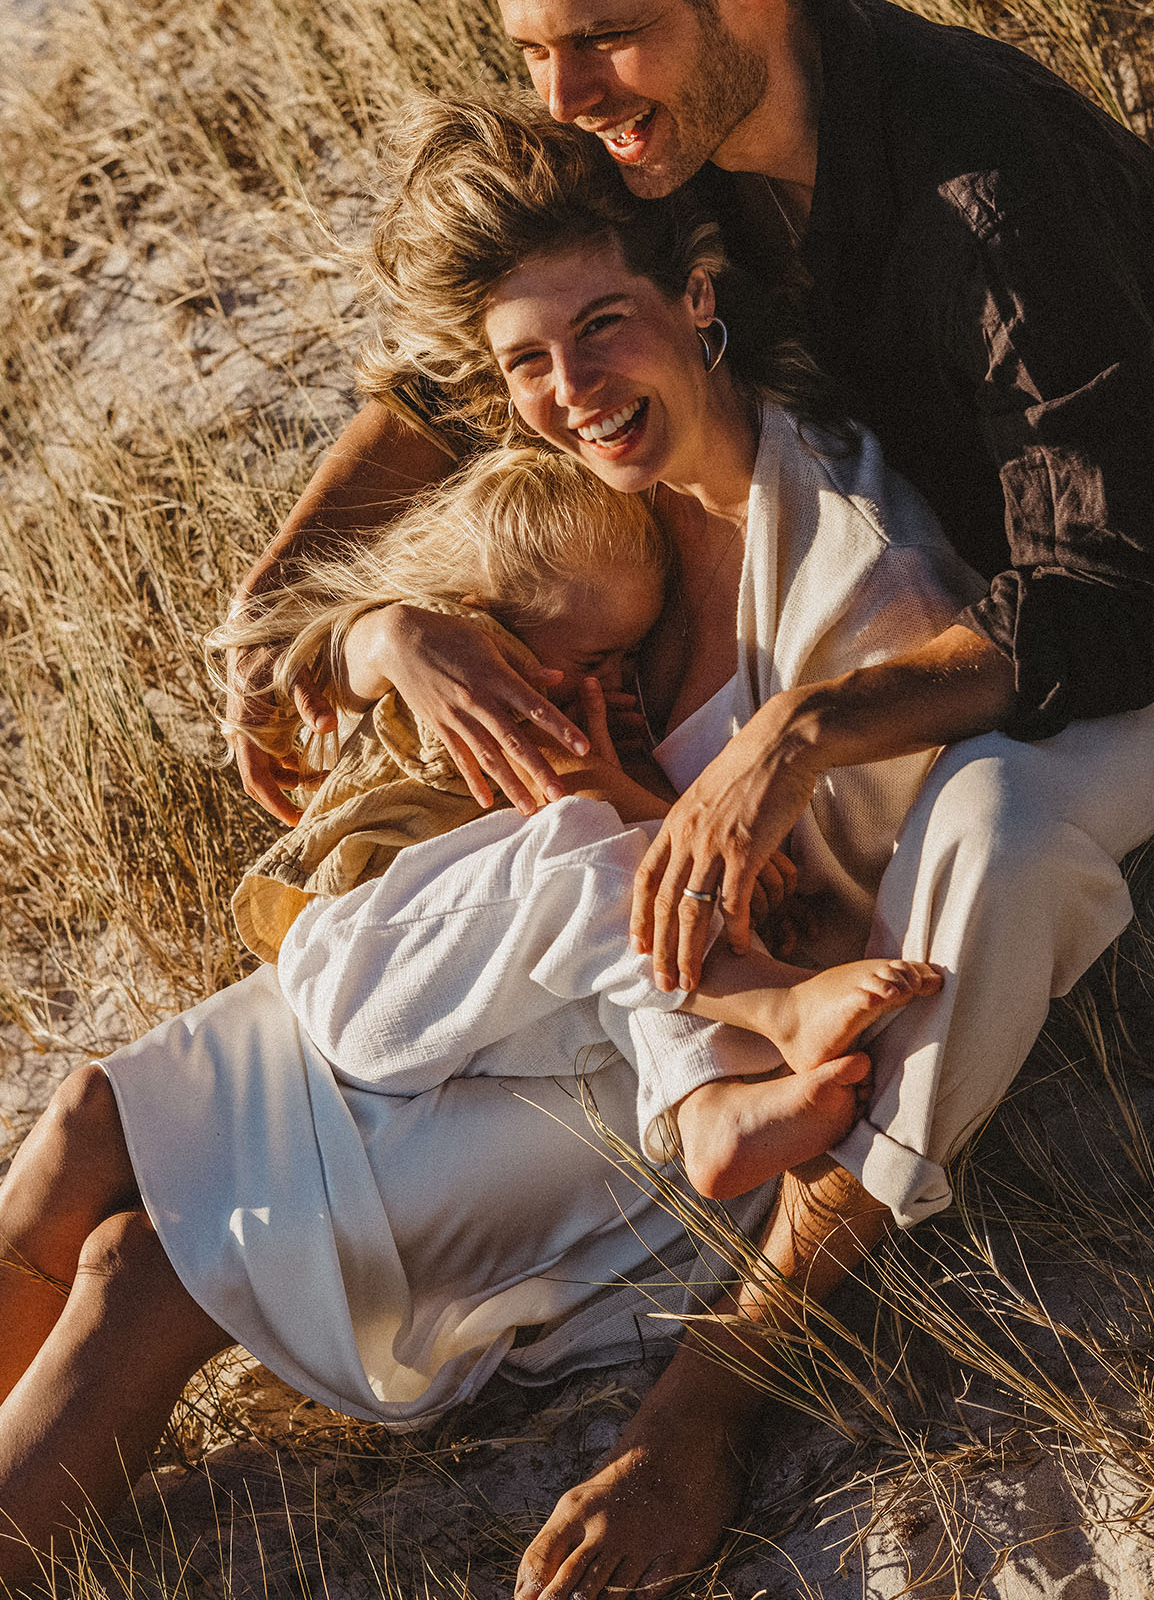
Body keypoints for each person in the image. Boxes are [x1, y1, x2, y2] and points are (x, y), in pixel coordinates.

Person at [222, 0, 1154, 1600]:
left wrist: (797, 736)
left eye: (600, 41)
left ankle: (727, 1373)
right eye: (532, 50)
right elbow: (461, 364)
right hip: (897, 574)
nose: (567, 99)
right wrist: (302, 603)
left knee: (998, 833)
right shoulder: (657, 125)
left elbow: (1116, 603)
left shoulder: (991, 194)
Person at [0, 106, 974, 1600]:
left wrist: (716, 1391)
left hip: (624, 1048)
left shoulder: (844, 564)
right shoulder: (575, 467)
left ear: (698, 293)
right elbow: (312, 643)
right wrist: (392, 635)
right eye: (530, 361)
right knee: (89, 1118)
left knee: (147, 1272)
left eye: (605, 329)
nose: (571, 389)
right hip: (478, 949)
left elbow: (908, 868)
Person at [219, 433, 945, 1194]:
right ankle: (779, 1007)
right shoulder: (464, 676)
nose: (619, 681)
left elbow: (614, 824)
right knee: (597, 852)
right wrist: (702, 850)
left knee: (630, 920)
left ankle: (703, 1106)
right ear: (487, 623)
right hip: (360, 975)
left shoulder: (574, 707)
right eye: (597, 660)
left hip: (472, 1009)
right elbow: (564, 795)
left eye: (631, 657)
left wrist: (693, 851)